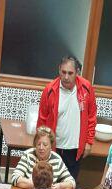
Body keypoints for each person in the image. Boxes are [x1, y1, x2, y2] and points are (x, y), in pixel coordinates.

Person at [36, 54, 97, 182]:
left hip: (75, 149)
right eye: (63, 72)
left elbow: (91, 117)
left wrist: (88, 142)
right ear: (59, 70)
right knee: (50, 182)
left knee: (69, 184)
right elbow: (42, 120)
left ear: (77, 72)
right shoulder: (49, 90)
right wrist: (40, 143)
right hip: (54, 147)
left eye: (70, 73)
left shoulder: (86, 88)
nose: (66, 77)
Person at [10, 125, 75, 189]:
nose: (41, 148)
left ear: (51, 146)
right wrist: (35, 185)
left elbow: (71, 182)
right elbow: (15, 177)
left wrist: (60, 186)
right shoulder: (28, 155)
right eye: (38, 144)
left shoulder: (57, 159)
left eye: (45, 145)